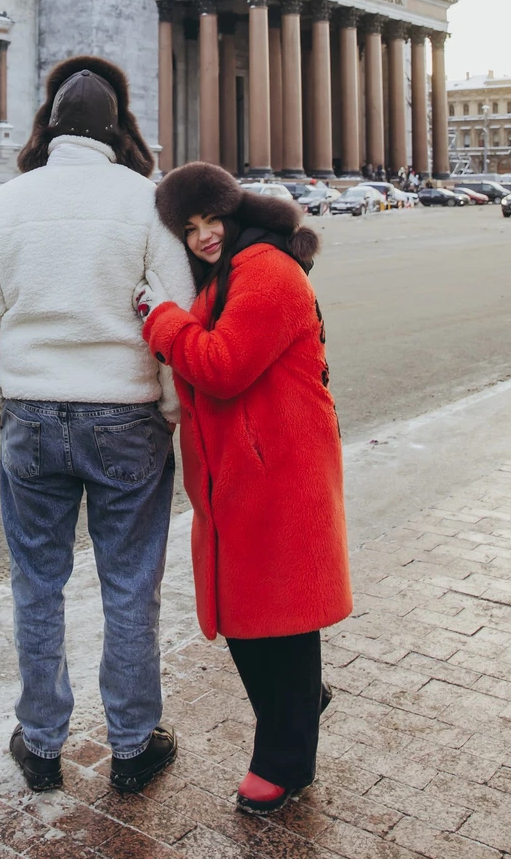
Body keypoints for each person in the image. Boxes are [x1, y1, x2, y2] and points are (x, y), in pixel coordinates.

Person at [0, 56, 194, 797]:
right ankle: (130, 745)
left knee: (37, 583)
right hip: (125, 416)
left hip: (31, 412)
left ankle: (41, 743)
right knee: (130, 585)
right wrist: (167, 405)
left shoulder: (9, 201)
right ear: (117, 130)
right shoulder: (146, 201)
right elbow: (173, 311)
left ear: (49, 128)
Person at [133, 162, 352, 818]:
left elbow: (224, 368)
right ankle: (300, 703)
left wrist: (160, 318)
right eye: (190, 227)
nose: (203, 236)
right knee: (259, 614)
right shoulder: (231, 268)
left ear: (236, 210)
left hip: (279, 471)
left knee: (275, 620)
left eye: (211, 220)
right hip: (252, 474)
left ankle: (285, 762)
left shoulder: (264, 267)